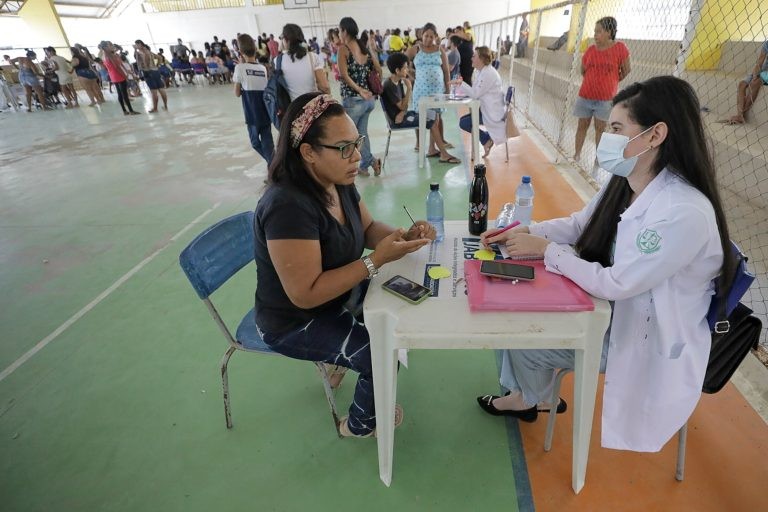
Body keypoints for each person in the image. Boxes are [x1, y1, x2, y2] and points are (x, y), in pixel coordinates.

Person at [477, 75, 734, 453]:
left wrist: (547, 251)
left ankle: (529, 398)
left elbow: (617, 283)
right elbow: (581, 224)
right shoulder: (628, 179)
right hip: (613, 309)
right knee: (511, 309)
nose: (606, 137)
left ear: (654, 135)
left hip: (643, 335)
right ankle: (530, 390)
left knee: (524, 335)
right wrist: (524, 231)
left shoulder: (684, 211)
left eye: (616, 128)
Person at [254, 92, 435, 437]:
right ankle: (357, 425)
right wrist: (375, 261)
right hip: (293, 320)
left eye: (358, 143)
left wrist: (402, 234)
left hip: (336, 297)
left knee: (400, 309)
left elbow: (366, 228)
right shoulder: (287, 207)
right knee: (381, 353)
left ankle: (338, 357)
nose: (357, 157)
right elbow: (305, 295)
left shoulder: (338, 180)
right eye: (344, 148)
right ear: (308, 153)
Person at [382, 52, 459, 163]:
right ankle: (444, 154)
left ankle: (432, 149)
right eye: (405, 68)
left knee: (434, 115)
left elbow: (404, 106)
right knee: (430, 120)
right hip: (397, 121)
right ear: (397, 70)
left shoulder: (397, 81)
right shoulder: (389, 85)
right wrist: (409, 88)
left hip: (402, 116)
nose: (407, 70)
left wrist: (403, 111)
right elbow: (403, 105)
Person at [573, 17, 631, 161]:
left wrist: (612, 81)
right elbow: (583, 70)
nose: (595, 35)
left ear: (609, 32)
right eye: (595, 31)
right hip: (586, 96)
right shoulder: (591, 50)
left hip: (605, 99)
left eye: (599, 31)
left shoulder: (620, 48)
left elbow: (626, 70)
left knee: (600, 128)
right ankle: (577, 154)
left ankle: (598, 158)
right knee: (582, 125)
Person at [338, 16, 383, 176]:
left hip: (353, 100)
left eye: (340, 30)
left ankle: (369, 161)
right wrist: (369, 90)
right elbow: (379, 69)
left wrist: (359, 90)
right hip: (368, 101)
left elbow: (344, 75)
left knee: (347, 136)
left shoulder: (344, 49)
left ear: (344, 30)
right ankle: (365, 165)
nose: (339, 34)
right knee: (361, 133)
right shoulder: (363, 48)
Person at [406, 22, 455, 160]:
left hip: (437, 90)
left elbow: (446, 71)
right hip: (420, 90)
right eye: (426, 36)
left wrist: (448, 90)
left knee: (435, 118)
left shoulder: (440, 50)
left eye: (431, 36)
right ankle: (419, 143)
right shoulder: (415, 49)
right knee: (420, 116)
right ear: (422, 35)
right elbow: (401, 62)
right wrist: (410, 74)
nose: (428, 39)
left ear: (435, 37)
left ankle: (432, 148)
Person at [451, 46, 507, 157]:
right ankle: (486, 138)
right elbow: (476, 92)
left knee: (464, 123)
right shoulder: (483, 71)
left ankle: (486, 139)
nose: (471, 58)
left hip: (493, 113)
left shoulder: (488, 73)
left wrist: (460, 83)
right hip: (488, 109)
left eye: (474, 56)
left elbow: (475, 94)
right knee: (464, 120)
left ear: (481, 59)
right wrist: (462, 85)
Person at [233, 33, 273, 165]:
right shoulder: (262, 68)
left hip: (251, 113)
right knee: (268, 144)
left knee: (255, 143)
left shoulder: (239, 68)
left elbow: (237, 93)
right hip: (265, 112)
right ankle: (273, 164)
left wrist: (241, 67)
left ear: (240, 51)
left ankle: (273, 164)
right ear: (255, 49)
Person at [280, 23, 331, 101]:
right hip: (312, 106)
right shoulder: (312, 57)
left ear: (286, 40)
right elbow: (325, 87)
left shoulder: (278, 60)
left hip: (292, 109)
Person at [722, 39, 768, 125]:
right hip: (764, 70)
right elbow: (760, 62)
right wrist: (755, 74)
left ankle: (740, 116)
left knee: (755, 83)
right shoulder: (767, 44)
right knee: (742, 84)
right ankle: (740, 115)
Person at [98, 41, 139, 115]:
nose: (112, 46)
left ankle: (124, 111)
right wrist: (124, 75)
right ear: (105, 47)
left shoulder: (104, 55)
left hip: (113, 76)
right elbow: (117, 67)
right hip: (118, 75)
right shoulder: (110, 55)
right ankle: (131, 111)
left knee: (120, 94)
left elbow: (107, 67)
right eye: (110, 45)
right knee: (124, 94)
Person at [135, 40, 168, 112]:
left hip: (148, 72)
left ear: (139, 44)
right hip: (156, 71)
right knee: (161, 89)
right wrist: (157, 65)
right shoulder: (149, 52)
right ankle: (165, 106)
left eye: (136, 45)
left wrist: (146, 67)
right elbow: (159, 57)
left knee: (154, 92)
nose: (136, 47)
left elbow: (144, 60)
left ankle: (155, 108)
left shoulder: (141, 52)